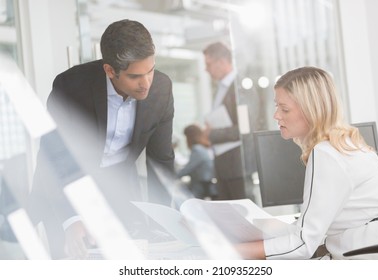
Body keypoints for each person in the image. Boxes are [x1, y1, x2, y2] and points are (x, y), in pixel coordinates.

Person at [29, 19, 175, 259]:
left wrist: (162, 219)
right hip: (64, 189)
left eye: (150, 70)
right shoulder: (71, 86)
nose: (146, 84)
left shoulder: (161, 88)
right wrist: (72, 219)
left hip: (117, 189)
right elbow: (54, 156)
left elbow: (161, 160)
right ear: (110, 70)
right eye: (135, 76)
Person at [236, 66, 378, 260]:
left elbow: (303, 244)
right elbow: (309, 229)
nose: (276, 115)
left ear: (311, 110)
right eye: (276, 106)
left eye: (284, 109)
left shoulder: (326, 153)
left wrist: (229, 251)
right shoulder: (346, 142)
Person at [202, 42, 246, 200]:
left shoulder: (241, 88)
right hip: (223, 165)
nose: (206, 70)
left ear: (221, 62)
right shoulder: (220, 88)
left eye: (208, 64)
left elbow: (245, 129)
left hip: (237, 167)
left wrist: (212, 133)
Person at [177, 124, 216, 199]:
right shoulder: (203, 147)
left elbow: (188, 169)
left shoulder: (197, 149)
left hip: (201, 185)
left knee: (179, 191)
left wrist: (171, 175)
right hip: (205, 183)